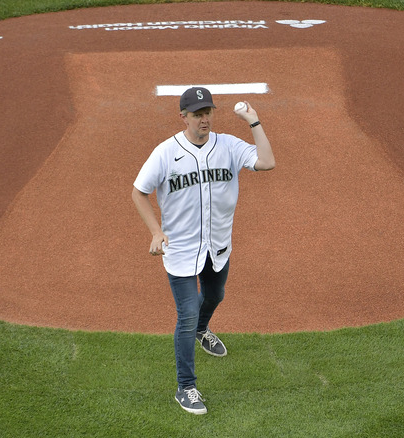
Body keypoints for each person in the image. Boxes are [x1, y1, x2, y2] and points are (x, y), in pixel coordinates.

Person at [131, 86, 276, 414]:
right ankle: (186, 386)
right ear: (183, 117)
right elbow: (139, 192)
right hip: (180, 250)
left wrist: (254, 122)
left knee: (215, 296)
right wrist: (156, 231)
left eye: (207, 112)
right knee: (186, 314)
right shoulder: (166, 153)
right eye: (197, 114)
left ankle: (202, 330)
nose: (204, 119)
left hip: (218, 245)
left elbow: (266, 162)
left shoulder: (228, 145)